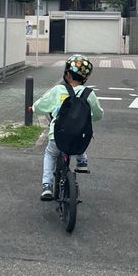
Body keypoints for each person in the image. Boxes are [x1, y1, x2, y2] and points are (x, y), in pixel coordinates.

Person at [32, 54, 103, 201]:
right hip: (79, 137)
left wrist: (33, 108)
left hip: (57, 136)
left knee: (50, 154)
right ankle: (82, 161)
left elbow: (41, 106)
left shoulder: (58, 90)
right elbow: (97, 114)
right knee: (80, 136)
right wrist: (92, 118)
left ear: (68, 74)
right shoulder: (89, 94)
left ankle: (47, 186)